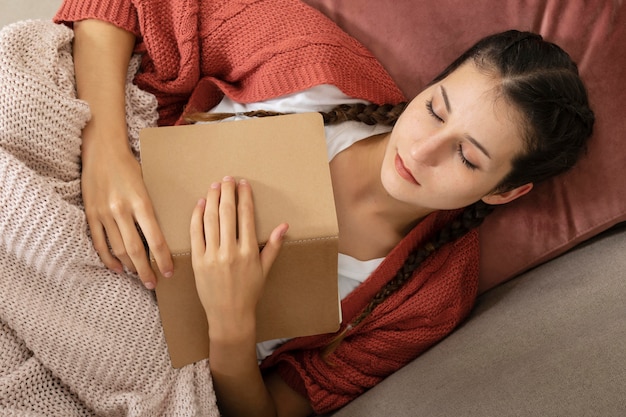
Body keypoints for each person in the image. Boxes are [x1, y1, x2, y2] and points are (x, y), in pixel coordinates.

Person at [45, 0, 594, 415]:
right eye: (435, 109)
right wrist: (106, 151)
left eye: (466, 158)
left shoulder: (429, 297)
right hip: (65, 200)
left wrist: (231, 328)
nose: (420, 150)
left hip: (138, 357)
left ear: (504, 191)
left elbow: (271, 411)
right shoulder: (315, 66)